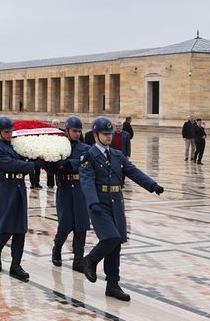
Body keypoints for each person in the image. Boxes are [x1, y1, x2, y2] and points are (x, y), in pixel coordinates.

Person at [80, 116, 164, 301]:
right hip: (99, 204)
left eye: (110, 134)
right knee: (111, 238)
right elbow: (86, 181)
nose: (109, 137)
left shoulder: (117, 155)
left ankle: (112, 284)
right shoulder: (89, 156)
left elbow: (133, 172)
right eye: (105, 134)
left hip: (116, 202)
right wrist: (92, 203)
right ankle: (90, 260)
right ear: (95, 135)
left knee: (116, 245)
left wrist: (152, 185)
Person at [0, 116, 41, 281]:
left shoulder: (16, 146)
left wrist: (38, 157)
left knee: (20, 228)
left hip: (19, 187)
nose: (9, 134)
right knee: (6, 226)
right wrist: (34, 166)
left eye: (11, 131)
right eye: (6, 131)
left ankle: (16, 264)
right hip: (6, 189)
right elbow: (12, 165)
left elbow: (24, 160)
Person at [50, 116, 91, 272]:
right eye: (74, 131)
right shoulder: (59, 146)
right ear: (67, 131)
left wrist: (69, 164)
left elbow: (85, 163)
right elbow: (52, 166)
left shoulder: (85, 147)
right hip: (65, 188)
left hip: (80, 188)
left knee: (81, 225)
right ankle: (57, 248)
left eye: (79, 131)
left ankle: (78, 259)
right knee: (65, 224)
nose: (77, 134)